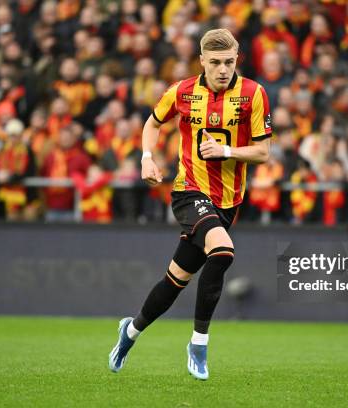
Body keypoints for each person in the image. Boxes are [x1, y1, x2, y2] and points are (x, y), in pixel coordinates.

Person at [108, 28, 272, 380]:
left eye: (229, 62)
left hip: (228, 202)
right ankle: (198, 343)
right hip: (189, 191)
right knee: (224, 252)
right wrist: (146, 157)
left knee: (175, 280)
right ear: (202, 61)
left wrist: (226, 151)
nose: (223, 69)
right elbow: (152, 124)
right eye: (215, 62)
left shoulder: (254, 94)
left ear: (237, 58)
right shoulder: (182, 91)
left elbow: (263, 151)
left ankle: (130, 331)